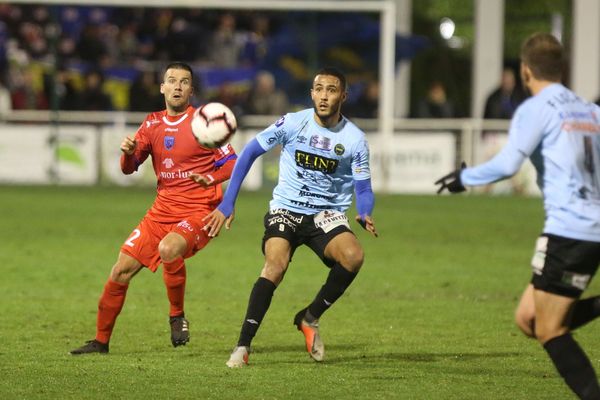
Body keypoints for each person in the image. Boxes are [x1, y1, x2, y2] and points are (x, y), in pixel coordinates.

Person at [435, 33, 600, 399]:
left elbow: (508, 164)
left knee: (550, 329)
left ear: (525, 71)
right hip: (590, 228)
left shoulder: (536, 108)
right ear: (562, 69)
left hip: (570, 230)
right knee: (528, 319)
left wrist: (465, 177)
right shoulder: (591, 111)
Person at [203, 66, 378, 368]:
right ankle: (243, 346)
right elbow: (248, 154)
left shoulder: (354, 139)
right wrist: (227, 202)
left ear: (343, 96)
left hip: (326, 214)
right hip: (287, 207)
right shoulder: (293, 123)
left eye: (331, 89)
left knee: (353, 256)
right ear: (311, 93)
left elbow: (363, 186)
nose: (324, 96)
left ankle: (309, 318)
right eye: (318, 89)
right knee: (275, 265)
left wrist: (364, 212)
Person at [70, 62, 237, 355]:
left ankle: (176, 317)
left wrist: (212, 180)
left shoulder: (204, 122)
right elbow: (129, 168)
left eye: (184, 82)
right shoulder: (152, 123)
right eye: (171, 81)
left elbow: (233, 164)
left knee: (169, 249)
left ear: (191, 90)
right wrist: (128, 153)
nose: (177, 86)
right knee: (120, 270)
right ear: (162, 87)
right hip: (160, 212)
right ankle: (100, 342)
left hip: (199, 211)